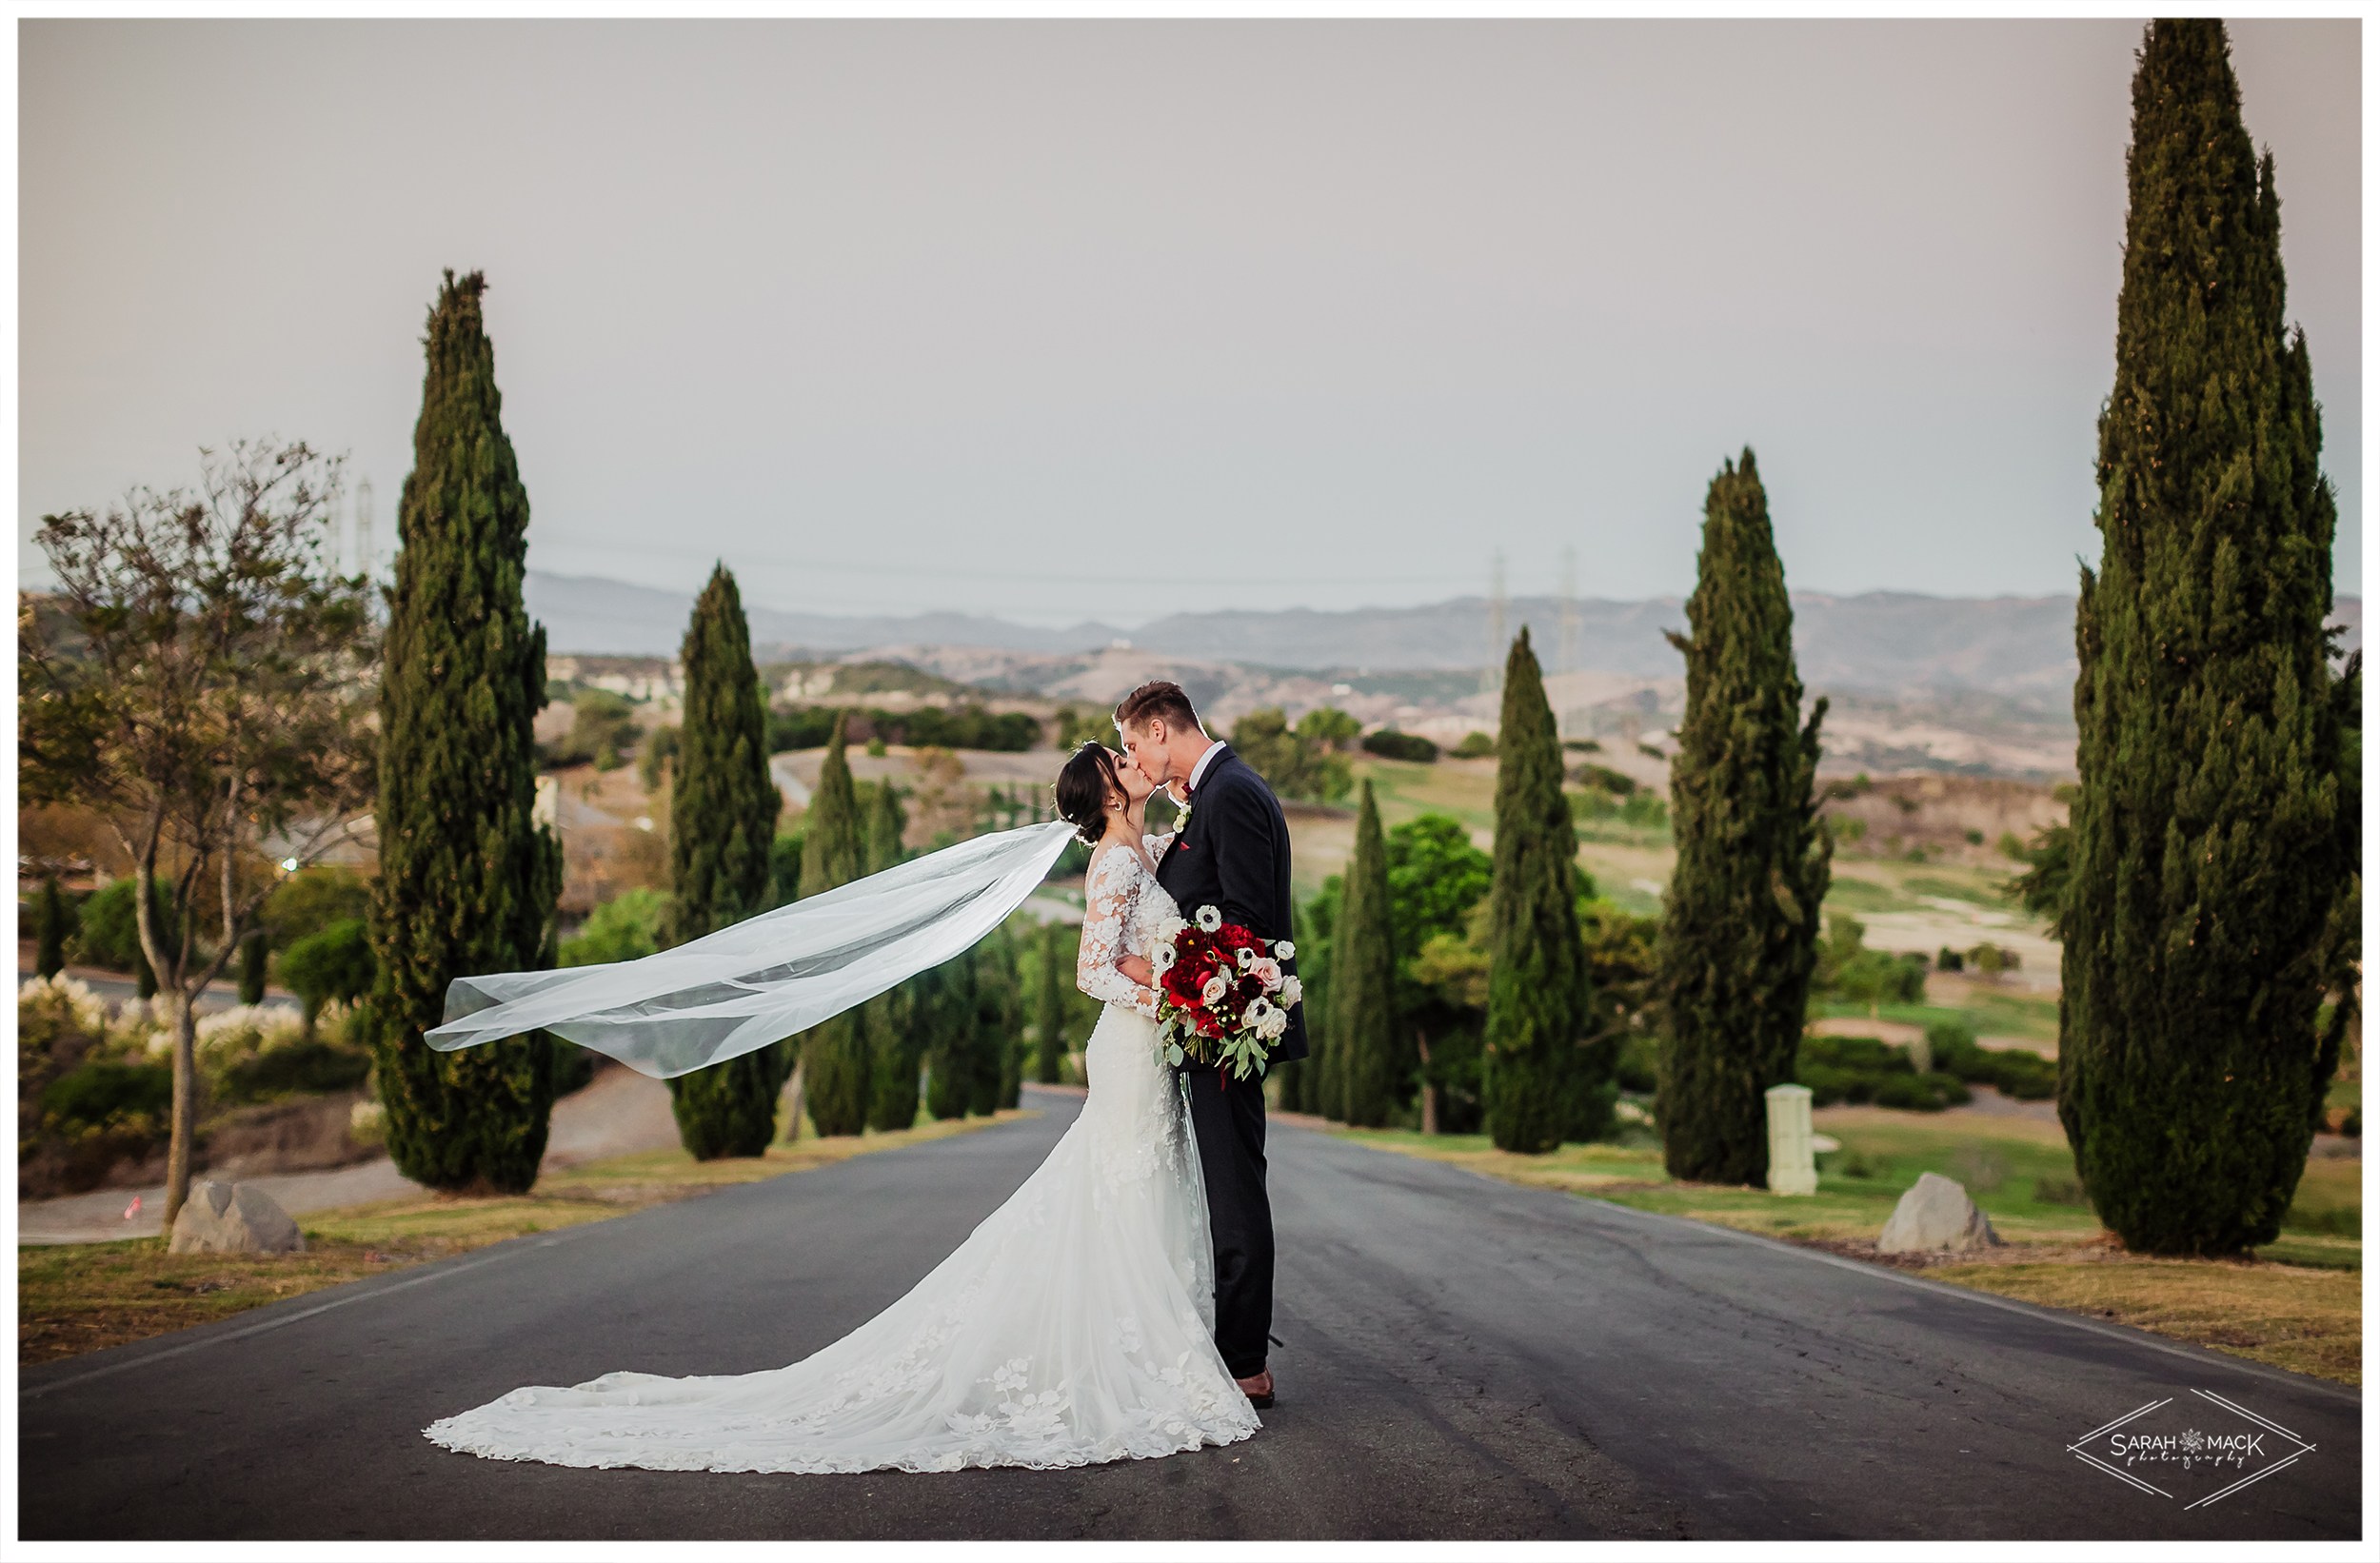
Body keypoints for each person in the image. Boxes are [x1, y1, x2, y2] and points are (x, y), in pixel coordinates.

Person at [420, 742, 1260, 1474]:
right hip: (1131, 1047)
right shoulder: (1113, 865)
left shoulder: (1141, 851)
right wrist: (1179, 1001)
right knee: (1114, 1187)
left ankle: (1141, 1343)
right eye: (1124, 763)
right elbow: (1092, 972)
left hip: (1152, 1053)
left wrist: (1204, 972)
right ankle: (1128, 1354)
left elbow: (1175, 908)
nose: (1135, 766)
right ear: (1111, 791)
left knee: (1136, 1186)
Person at [1113, 681, 1305, 1411]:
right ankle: (1232, 1346)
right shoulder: (1212, 794)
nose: (1133, 758)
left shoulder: (1230, 794)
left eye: (1134, 743)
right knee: (1225, 1189)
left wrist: (1174, 978)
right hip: (1211, 1029)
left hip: (1225, 1033)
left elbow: (1248, 926)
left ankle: (1245, 1361)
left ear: (1162, 730)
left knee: (1234, 1193)